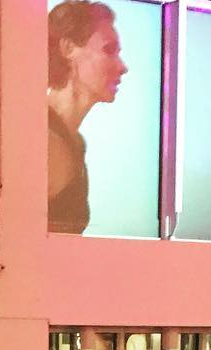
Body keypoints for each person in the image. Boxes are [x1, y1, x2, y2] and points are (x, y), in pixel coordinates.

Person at [47, 1, 126, 234]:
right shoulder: (46, 143)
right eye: (109, 50)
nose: (123, 67)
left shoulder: (73, 142)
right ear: (68, 48)